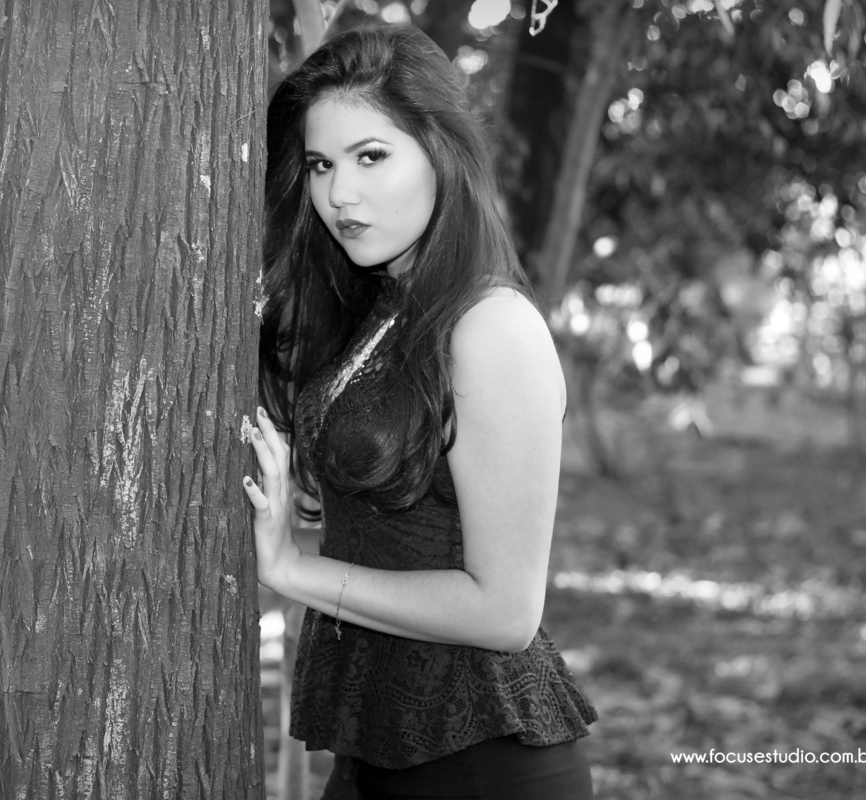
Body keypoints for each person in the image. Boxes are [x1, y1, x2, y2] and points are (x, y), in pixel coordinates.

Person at [242, 25, 597, 800]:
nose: (340, 194)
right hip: (375, 753)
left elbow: (505, 612)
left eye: (371, 156)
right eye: (321, 165)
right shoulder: (383, 312)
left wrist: (294, 570)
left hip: (485, 765)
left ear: (440, 153)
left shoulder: (491, 328)